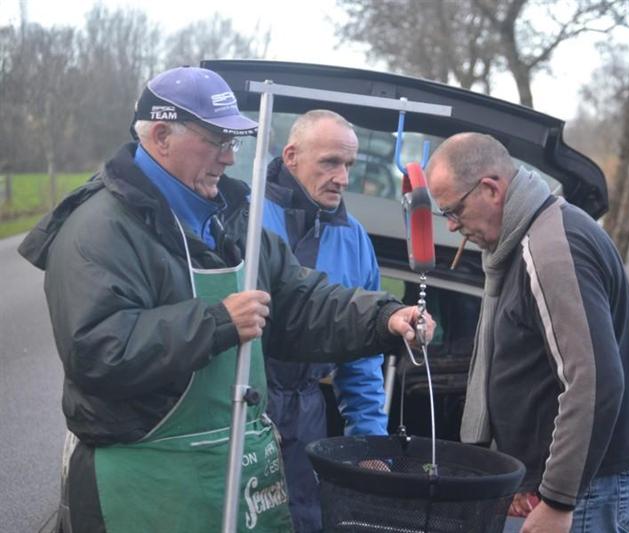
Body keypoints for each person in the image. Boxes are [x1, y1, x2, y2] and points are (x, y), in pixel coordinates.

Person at [18, 66, 432, 533]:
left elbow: (299, 303)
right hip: (142, 482)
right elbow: (98, 351)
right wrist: (218, 322)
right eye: (217, 140)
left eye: (233, 142)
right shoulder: (98, 228)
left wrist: (385, 318)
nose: (230, 157)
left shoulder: (232, 220)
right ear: (161, 136)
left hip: (230, 466)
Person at [425, 132, 629, 533]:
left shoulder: (552, 250)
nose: (452, 225)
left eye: (454, 210)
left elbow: (594, 381)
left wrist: (558, 500)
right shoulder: (522, 237)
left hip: (598, 484)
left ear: (491, 189)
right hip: (572, 480)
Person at [260, 109, 387, 532]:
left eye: (349, 165)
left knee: (302, 520)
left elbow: (362, 355)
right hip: (243, 406)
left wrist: (369, 442)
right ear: (291, 156)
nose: (343, 178)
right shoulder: (245, 218)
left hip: (307, 414)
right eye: (331, 162)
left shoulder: (355, 240)